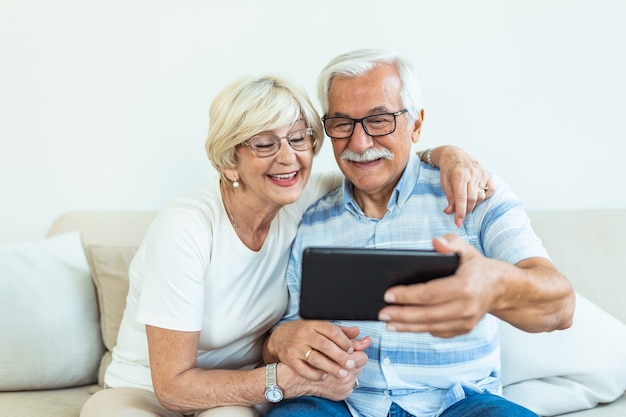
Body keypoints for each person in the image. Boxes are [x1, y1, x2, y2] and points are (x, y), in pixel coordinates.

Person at [80, 73, 494, 417]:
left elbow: (380, 166)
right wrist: (284, 380)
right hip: (149, 392)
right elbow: (172, 386)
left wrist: (449, 155)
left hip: (238, 391)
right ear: (229, 159)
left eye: (299, 139)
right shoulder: (184, 228)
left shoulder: (301, 199)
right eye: (264, 143)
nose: (288, 158)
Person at [263, 49, 576, 417]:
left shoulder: (473, 191)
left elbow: (560, 306)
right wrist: (280, 341)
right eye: (342, 124)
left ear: (416, 124)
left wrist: (493, 284)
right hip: (342, 405)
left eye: (379, 120)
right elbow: (287, 330)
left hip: (461, 404)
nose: (359, 143)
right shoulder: (312, 219)